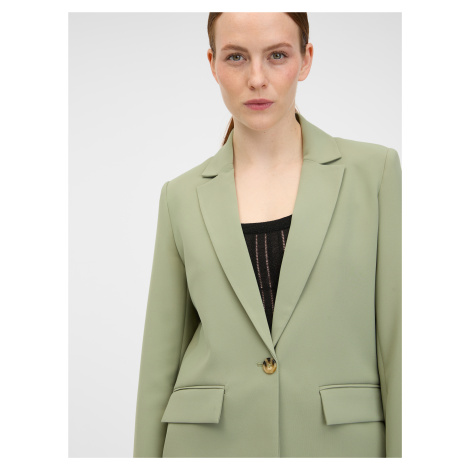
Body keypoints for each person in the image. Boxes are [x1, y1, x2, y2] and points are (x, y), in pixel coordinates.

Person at [133, 12, 401, 458]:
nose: (256, 78)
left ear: (305, 59)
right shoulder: (180, 196)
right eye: (236, 57)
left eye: (277, 55)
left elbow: (399, 342)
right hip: (205, 448)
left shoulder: (374, 174)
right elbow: (158, 365)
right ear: (212, 64)